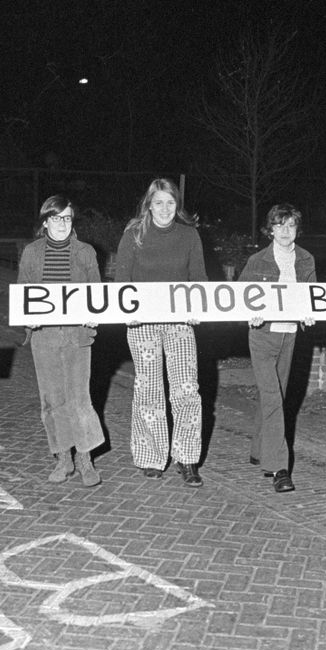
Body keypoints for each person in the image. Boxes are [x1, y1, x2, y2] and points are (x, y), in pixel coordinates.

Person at [115, 178, 208, 487]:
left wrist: (199, 309)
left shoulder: (190, 235)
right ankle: (151, 456)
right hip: (142, 324)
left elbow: (199, 279)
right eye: (159, 202)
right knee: (148, 389)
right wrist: (125, 314)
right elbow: (121, 281)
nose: (165, 208)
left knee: (186, 389)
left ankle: (187, 458)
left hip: (179, 323)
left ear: (176, 205)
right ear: (149, 205)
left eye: (170, 202)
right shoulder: (133, 235)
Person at [17, 195, 105, 486]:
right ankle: (63, 458)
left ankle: (85, 458)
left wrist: (95, 315)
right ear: (45, 222)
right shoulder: (31, 252)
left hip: (77, 335)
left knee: (79, 398)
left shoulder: (86, 252)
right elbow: (23, 294)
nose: (62, 224)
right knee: (52, 400)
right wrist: (26, 317)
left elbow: (97, 293)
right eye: (56, 218)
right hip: (45, 337)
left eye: (67, 218)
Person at [238, 204, 318, 494]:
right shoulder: (257, 261)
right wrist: (250, 313)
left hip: (290, 335)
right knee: (273, 399)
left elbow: (310, 295)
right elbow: (240, 298)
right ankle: (278, 468)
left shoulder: (306, 259)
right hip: (262, 336)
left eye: (291, 225)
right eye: (280, 225)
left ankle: (259, 448)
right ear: (269, 229)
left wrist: (309, 313)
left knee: (275, 395)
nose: (286, 231)